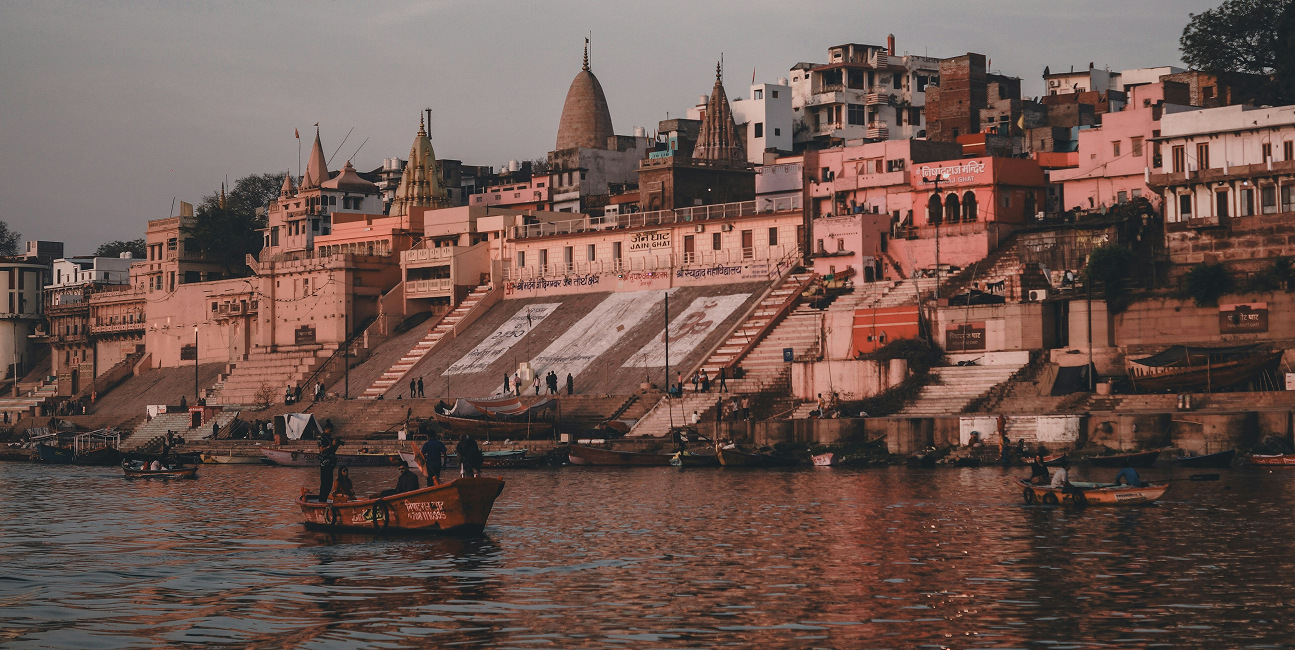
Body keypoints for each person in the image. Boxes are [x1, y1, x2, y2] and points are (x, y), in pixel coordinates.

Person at [317, 431, 342, 501]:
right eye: (330, 431)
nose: (331, 433)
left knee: (329, 484)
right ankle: (322, 501)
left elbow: (333, 451)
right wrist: (331, 445)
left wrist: (336, 445)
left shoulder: (329, 439)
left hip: (331, 465)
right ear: (326, 430)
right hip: (325, 465)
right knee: (324, 484)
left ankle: (324, 500)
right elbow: (321, 450)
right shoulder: (321, 438)